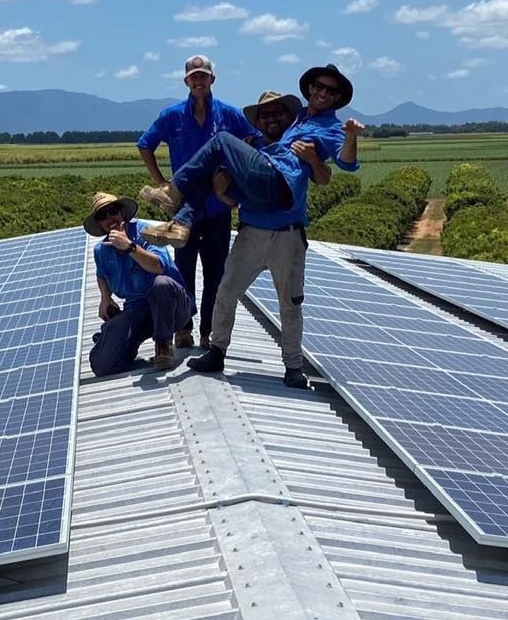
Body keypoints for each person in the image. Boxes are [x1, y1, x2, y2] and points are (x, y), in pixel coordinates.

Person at [187, 87, 362, 387]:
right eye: (265, 115)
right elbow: (231, 198)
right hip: (251, 233)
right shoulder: (249, 152)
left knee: (290, 303)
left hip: (287, 237)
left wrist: (319, 155)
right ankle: (217, 351)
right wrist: (219, 192)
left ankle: (293, 366)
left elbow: (325, 177)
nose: (270, 119)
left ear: (288, 117)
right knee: (226, 293)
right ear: (258, 122)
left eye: (277, 114)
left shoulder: (298, 144)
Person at [139, 62, 360, 244]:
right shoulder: (297, 119)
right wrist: (248, 147)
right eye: (320, 86)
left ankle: (173, 190)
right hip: (257, 205)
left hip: (278, 184)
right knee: (212, 172)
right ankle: (180, 224)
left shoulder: (331, 126)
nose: (323, 93)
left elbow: (346, 163)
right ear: (311, 88)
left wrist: (350, 137)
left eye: (331, 91)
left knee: (222, 140)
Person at [136, 54, 258, 349]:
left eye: (204, 76)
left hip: (216, 207)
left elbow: (254, 139)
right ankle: (184, 328)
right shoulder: (172, 115)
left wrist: (233, 172)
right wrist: (160, 180)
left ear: (212, 79)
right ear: (186, 81)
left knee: (215, 273)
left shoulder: (229, 114)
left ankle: (207, 330)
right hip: (188, 205)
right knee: (184, 271)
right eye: (194, 76)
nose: (199, 80)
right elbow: (144, 144)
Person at [84, 191, 193, 376]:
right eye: (103, 216)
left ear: (122, 213)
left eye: (113, 211)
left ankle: (164, 345)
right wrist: (105, 297)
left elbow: (158, 266)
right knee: (102, 365)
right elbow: (101, 274)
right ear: (100, 224)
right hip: (137, 311)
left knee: (161, 285)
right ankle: (126, 347)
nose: (109, 218)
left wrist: (129, 247)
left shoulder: (146, 232)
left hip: (171, 307)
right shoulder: (101, 250)